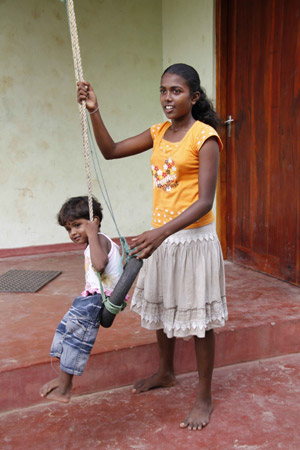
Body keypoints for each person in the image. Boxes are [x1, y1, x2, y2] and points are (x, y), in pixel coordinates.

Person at [77, 63, 227, 430]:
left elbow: (204, 202)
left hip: (193, 241)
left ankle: (204, 395)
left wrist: (159, 234)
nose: (167, 98)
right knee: (160, 307)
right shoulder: (159, 132)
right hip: (160, 239)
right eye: (162, 90)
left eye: (175, 91)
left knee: (200, 322)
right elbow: (110, 150)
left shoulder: (205, 137)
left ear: (193, 97)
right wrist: (94, 110)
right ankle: (166, 372)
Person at [40, 196, 124, 403]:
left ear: (94, 221)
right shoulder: (94, 242)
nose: (73, 233)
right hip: (88, 298)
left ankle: (65, 388)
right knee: (64, 331)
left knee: (75, 339)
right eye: (68, 229)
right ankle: (62, 378)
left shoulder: (100, 239)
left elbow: (100, 264)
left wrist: (93, 234)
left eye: (77, 225)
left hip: (98, 301)